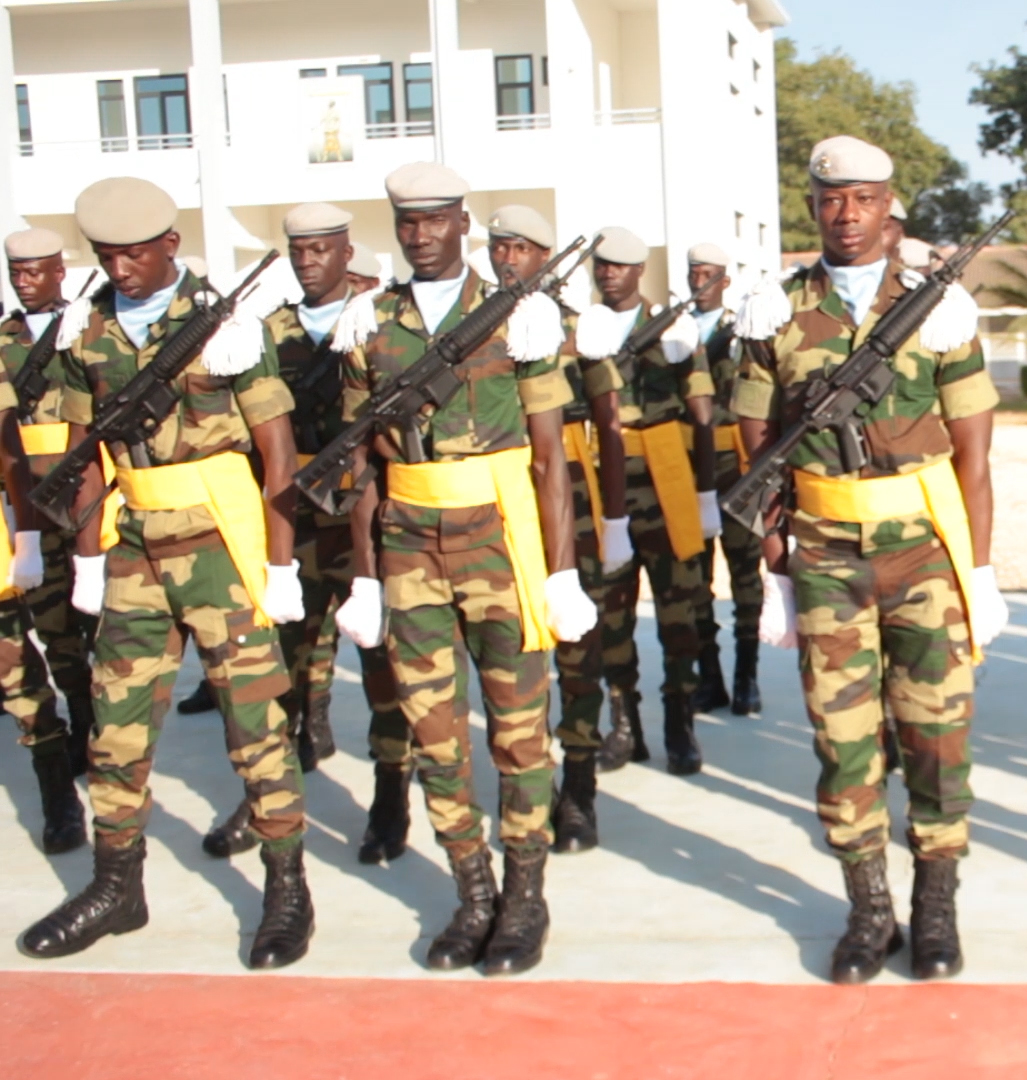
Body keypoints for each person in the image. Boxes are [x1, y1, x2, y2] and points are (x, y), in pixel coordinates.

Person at [19, 177, 313, 970]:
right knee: (115, 728)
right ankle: (117, 885)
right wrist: (87, 555)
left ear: (171, 246)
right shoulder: (89, 332)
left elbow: (278, 452)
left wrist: (280, 563)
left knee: (255, 725)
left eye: (135, 254)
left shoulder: (225, 327)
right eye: (107, 255)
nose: (120, 268)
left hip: (220, 545)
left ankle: (287, 885)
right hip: (134, 549)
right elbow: (85, 454)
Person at [735, 134, 1008, 984]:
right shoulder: (776, 311)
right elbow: (757, 448)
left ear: (890, 206)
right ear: (813, 208)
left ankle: (936, 905)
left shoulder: (940, 309)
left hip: (925, 553)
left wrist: (981, 569)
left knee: (936, 735)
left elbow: (974, 455)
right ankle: (868, 909)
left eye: (862, 199)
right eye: (830, 200)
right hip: (824, 555)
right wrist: (776, 566)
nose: (846, 215)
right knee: (843, 740)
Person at [329, 162, 597, 976]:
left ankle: (524, 898)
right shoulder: (370, 322)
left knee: (519, 733)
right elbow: (361, 465)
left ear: (462, 223)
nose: (420, 235)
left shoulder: (520, 317)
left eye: (435, 220)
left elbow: (549, 458)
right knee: (433, 734)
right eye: (407, 222)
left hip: (501, 542)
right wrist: (365, 576)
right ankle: (472, 893)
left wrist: (561, 571)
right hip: (409, 547)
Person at [200, 203, 413, 864]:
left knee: (382, 667)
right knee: (278, 666)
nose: (308, 261)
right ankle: (267, 794)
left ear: (348, 253)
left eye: (321, 249)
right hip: (295, 519)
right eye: (299, 251)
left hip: (367, 519)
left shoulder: (379, 321)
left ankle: (390, 793)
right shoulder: (267, 332)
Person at [485, 205, 625, 852]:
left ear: (545, 258)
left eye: (521, 248)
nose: (508, 259)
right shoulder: (476, 325)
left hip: (571, 507)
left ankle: (580, 788)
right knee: (510, 655)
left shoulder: (579, 327)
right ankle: (526, 787)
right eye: (500, 247)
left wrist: (616, 519)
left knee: (577, 658)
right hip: (499, 507)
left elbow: (609, 424)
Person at [584, 227, 722, 776]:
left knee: (679, 613)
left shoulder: (673, 327)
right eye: (602, 265)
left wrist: (707, 494)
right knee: (610, 616)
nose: (608, 273)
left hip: (667, 483)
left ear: (640, 271)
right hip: (605, 486)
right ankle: (625, 726)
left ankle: (680, 724)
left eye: (620, 265)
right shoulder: (583, 328)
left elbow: (703, 415)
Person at [0, 227, 92, 854]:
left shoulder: (81, 331)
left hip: (66, 495)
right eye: (16, 271)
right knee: (37, 639)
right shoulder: (5, 337)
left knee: (72, 627)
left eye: (36, 270)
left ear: (60, 269)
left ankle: (82, 727)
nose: (24, 280)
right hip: (21, 502)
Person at [685, 241, 765, 716]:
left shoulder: (741, 329)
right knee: (695, 581)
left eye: (709, 275)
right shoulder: (672, 328)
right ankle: (709, 678)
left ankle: (746, 678)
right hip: (687, 466)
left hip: (735, 467)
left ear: (725, 281)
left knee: (745, 576)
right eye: (694, 274)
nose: (700, 283)